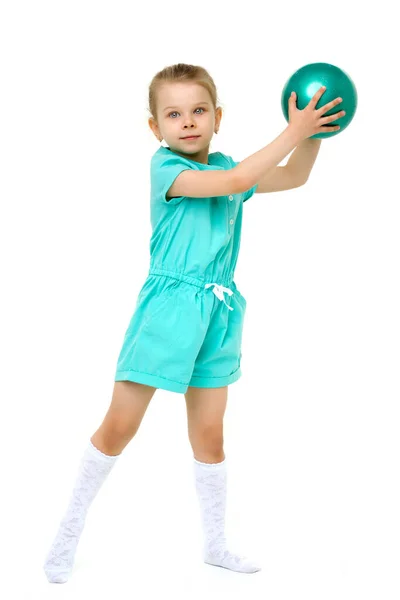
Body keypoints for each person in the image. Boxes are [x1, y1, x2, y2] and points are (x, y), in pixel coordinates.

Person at [43, 63, 345, 583]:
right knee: (120, 426)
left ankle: (216, 544)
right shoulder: (168, 170)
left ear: (218, 117)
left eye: (199, 110)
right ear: (155, 126)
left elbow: (294, 176)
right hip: (168, 310)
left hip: (220, 311)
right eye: (174, 113)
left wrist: (314, 133)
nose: (187, 122)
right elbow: (234, 180)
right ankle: (66, 534)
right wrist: (292, 130)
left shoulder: (229, 162)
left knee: (210, 434)